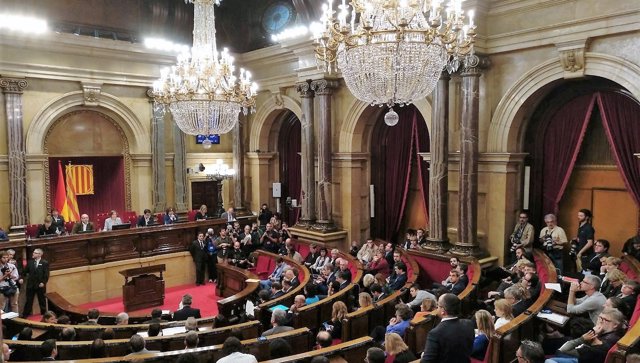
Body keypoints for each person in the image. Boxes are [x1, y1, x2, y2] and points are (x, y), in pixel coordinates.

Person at [545, 308, 625, 363]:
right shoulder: (608, 333)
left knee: (554, 356)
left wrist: (592, 333)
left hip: (583, 358)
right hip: (585, 354)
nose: (600, 321)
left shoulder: (607, 341)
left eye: (605, 320)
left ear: (615, 325)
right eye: (600, 318)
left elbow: (564, 349)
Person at [420, 293, 474, 363]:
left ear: (443, 311)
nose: (437, 308)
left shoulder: (435, 333)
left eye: (438, 306)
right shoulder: (468, 324)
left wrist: (423, 356)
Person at [21, 248, 49, 318]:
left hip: (40, 285)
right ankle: (25, 315)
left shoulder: (44, 263)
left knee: (42, 301)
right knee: (29, 301)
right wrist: (21, 278)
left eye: (35, 253)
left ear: (40, 254)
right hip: (30, 285)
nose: (33, 254)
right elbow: (24, 272)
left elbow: (46, 274)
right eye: (33, 252)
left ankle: (44, 315)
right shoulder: (30, 262)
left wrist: (43, 282)